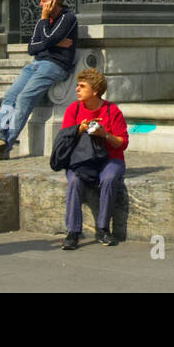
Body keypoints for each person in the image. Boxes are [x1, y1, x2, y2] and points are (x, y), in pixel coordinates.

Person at [0, 0, 77, 160]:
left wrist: (47, 34)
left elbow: (46, 40)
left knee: (24, 98)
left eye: (43, 1)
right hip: (36, 63)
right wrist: (52, 42)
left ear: (53, 3)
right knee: (9, 97)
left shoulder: (68, 18)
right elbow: (32, 47)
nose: (39, 4)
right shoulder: (43, 20)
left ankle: (5, 145)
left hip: (55, 65)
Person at [59, 67, 128, 250]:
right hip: (81, 160)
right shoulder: (73, 109)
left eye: (82, 86)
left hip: (109, 159)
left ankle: (104, 229)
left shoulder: (112, 110)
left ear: (95, 91)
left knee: (109, 178)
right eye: (77, 86)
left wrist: (104, 134)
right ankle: (73, 232)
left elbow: (122, 143)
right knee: (73, 181)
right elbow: (64, 138)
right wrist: (79, 130)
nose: (77, 89)